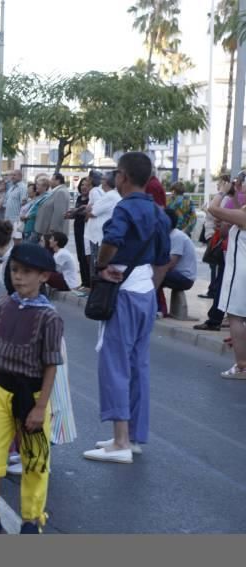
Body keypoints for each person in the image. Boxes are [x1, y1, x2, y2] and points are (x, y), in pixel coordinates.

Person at [0, 243, 63, 535]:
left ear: (43, 277)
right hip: (2, 392)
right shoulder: (5, 305)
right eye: (15, 270)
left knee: (34, 461)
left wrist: (41, 406)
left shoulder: (49, 317)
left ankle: (32, 521)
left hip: (31, 396)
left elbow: (51, 364)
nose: (19, 277)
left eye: (27, 272)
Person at [83, 152, 171, 464]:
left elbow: (113, 240)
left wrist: (102, 264)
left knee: (115, 363)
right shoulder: (159, 212)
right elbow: (164, 258)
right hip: (145, 290)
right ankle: (132, 436)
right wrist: (151, 286)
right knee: (137, 365)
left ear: (122, 176)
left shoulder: (124, 208)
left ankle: (120, 441)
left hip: (123, 291)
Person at [206, 185, 246, 379]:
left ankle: (242, 365)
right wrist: (235, 195)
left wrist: (222, 192)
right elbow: (237, 212)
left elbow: (213, 209)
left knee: (235, 316)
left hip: (241, 271)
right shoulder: (243, 212)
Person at [156, 208, 198, 317]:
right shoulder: (169, 235)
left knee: (154, 274)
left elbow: (171, 264)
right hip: (176, 274)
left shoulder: (177, 236)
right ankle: (159, 308)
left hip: (185, 278)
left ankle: (159, 309)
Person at [84, 171, 121, 275]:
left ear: (107, 182)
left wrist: (88, 209)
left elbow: (92, 212)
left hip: (98, 237)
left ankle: (95, 289)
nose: (101, 181)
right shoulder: (110, 195)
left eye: (103, 179)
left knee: (96, 266)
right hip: (98, 235)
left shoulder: (110, 196)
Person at [66, 177, 91, 289]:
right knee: (80, 255)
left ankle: (89, 283)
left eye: (86, 185)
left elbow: (87, 214)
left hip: (87, 229)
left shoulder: (91, 199)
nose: (84, 187)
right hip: (78, 228)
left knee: (86, 256)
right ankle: (84, 282)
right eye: (82, 185)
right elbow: (77, 213)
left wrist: (76, 212)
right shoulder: (80, 198)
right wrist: (71, 214)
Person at [34, 172, 70, 238]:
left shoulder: (60, 192)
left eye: (52, 179)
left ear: (58, 181)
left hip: (54, 232)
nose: (50, 181)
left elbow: (58, 213)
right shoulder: (57, 191)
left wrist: (53, 230)